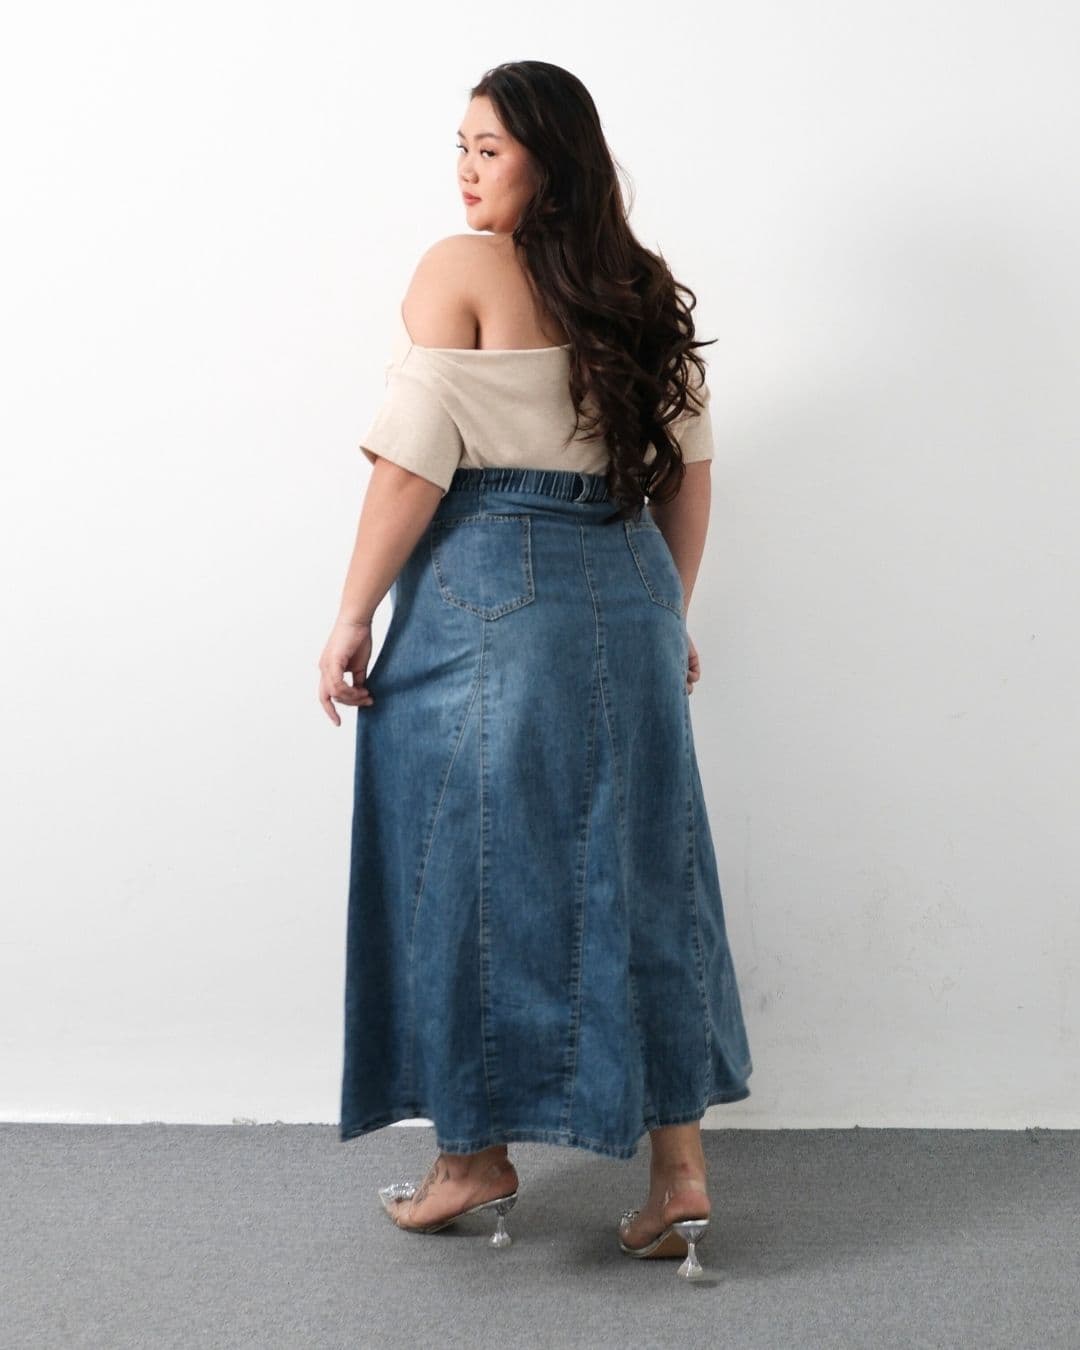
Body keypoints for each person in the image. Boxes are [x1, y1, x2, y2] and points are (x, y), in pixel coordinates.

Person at [318, 61, 752, 1278]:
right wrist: (665, 612)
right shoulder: (642, 289)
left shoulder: (459, 271)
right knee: (645, 863)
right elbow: (689, 472)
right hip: (629, 583)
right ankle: (678, 1176)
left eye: (489, 149)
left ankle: (472, 1159)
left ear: (550, 160)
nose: (464, 171)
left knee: (461, 861)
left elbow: (413, 465)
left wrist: (351, 614)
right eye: (458, 147)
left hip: (487, 590)